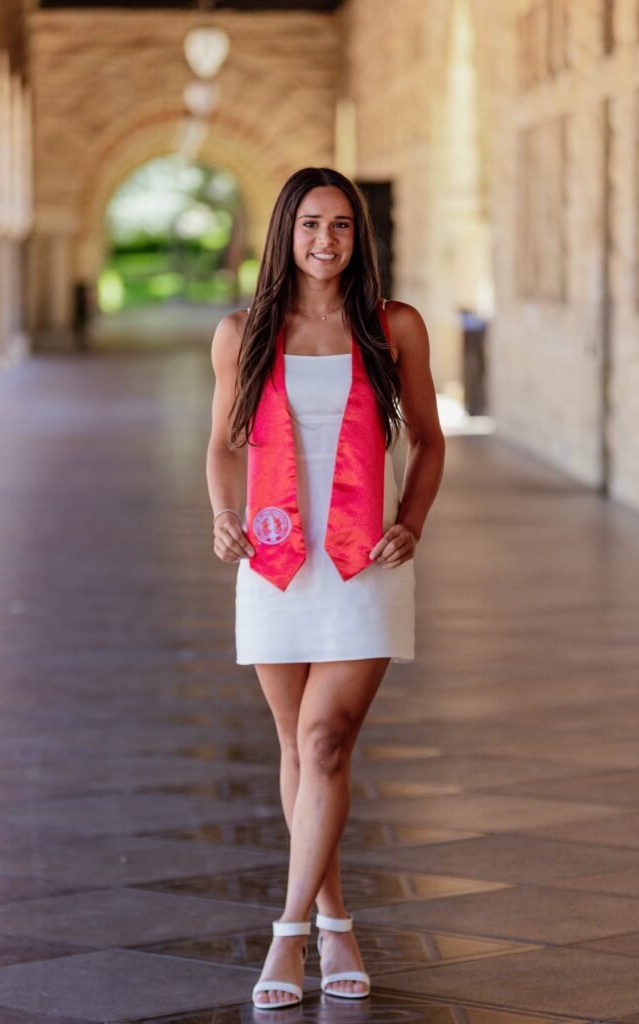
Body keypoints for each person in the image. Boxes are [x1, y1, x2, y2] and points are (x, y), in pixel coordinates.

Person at [206, 166, 445, 1009]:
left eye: (341, 225)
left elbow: (426, 436)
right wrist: (221, 513)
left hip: (361, 563)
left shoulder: (392, 326)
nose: (325, 240)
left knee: (324, 743)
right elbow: (224, 442)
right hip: (274, 562)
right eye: (310, 223)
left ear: (359, 236)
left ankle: (285, 937)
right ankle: (336, 921)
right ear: (285, 231)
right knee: (295, 748)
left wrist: (410, 519)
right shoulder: (244, 331)